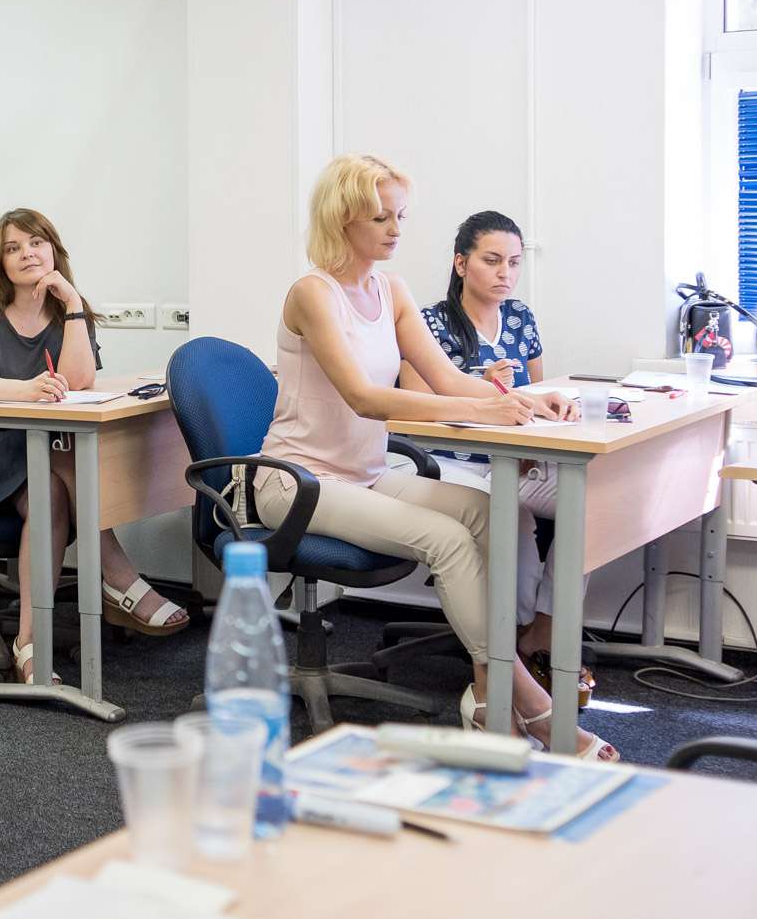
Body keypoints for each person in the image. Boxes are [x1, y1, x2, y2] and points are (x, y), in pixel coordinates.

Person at [241, 155, 615, 759]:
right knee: (447, 540)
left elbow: (447, 379)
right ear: (341, 219)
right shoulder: (313, 294)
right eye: (380, 217)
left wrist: (525, 400)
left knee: (500, 515)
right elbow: (365, 399)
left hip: (364, 474)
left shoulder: (390, 290)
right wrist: (487, 412)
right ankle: (530, 702)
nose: (396, 229)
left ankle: (490, 695)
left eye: (401, 216)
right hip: (297, 481)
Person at [0, 208, 187, 685]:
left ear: (53, 249)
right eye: (13, 248)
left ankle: (29, 642)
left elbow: (79, 382)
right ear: (0, 263)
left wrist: (74, 306)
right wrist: (26, 390)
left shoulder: (68, 311)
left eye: (36, 243)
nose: (27, 254)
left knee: (51, 488)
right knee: (61, 450)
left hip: (29, 451)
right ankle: (118, 574)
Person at [398, 210, 596, 705]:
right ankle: (509, 646)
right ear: (461, 264)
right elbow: (415, 407)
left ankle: (542, 631)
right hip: (451, 462)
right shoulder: (431, 323)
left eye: (513, 262)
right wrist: (482, 387)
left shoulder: (521, 318)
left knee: (591, 505)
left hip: (514, 459)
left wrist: (551, 412)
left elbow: (535, 392)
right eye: (492, 261)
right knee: (514, 519)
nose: (505, 273)